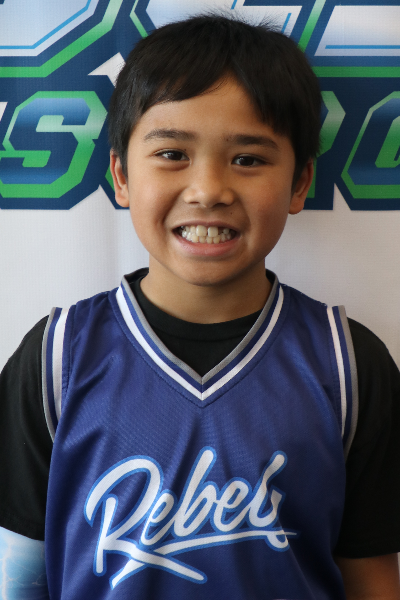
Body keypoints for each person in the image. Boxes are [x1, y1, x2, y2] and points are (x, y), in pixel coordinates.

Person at [0, 13, 400, 600]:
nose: (209, 189)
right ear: (121, 175)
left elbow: (371, 576)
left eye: (248, 159)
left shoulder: (349, 366)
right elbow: (18, 573)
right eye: (172, 154)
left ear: (300, 183)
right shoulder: (55, 359)